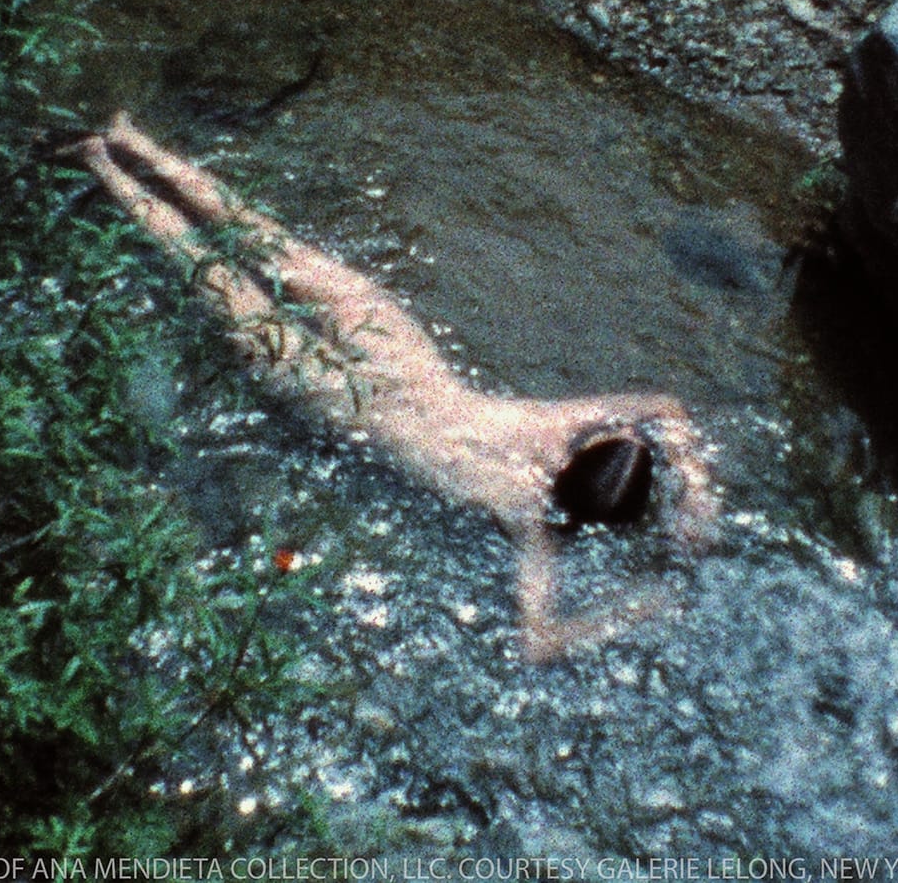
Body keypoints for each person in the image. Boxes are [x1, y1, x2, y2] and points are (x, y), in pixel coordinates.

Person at [66, 113, 720, 661]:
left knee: (266, 241)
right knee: (215, 277)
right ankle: (100, 160)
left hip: (395, 354)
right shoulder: (532, 522)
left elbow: (663, 407)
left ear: (585, 449)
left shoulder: (551, 426)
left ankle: (128, 138)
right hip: (341, 396)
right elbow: (538, 641)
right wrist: (639, 607)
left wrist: (693, 489)